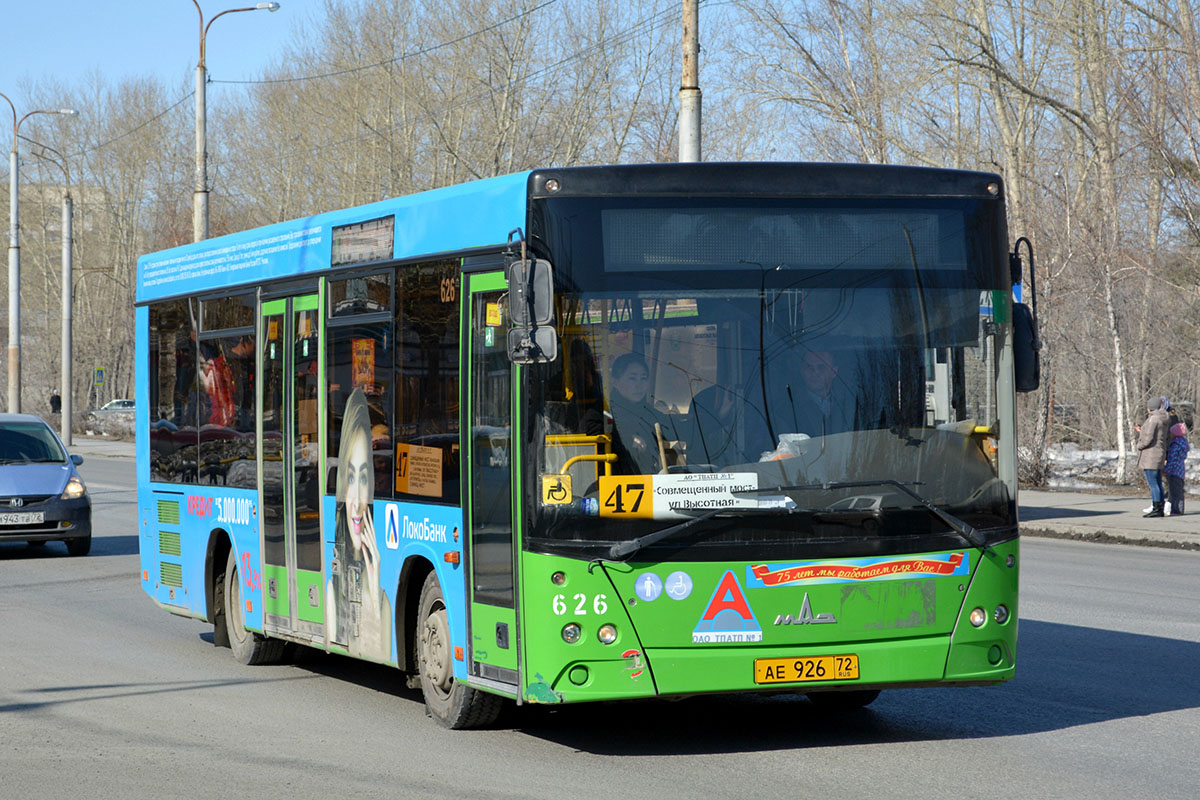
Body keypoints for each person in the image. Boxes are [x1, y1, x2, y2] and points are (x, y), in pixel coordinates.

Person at [326, 388, 392, 660]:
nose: (355, 502)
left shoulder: (384, 598)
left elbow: (382, 651)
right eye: (350, 478)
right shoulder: (332, 590)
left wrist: (374, 592)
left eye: (364, 479)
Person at [604, 353, 677, 474]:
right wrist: (627, 438)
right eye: (632, 378)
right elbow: (595, 431)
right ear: (614, 381)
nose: (639, 385)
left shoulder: (644, 409)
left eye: (643, 378)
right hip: (615, 478)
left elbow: (671, 428)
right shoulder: (607, 409)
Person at [791, 349, 853, 438]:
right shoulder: (790, 407)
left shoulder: (850, 405)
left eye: (821, 367)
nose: (815, 373)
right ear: (802, 371)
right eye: (809, 367)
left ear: (834, 372)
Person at [1134, 396, 1172, 518]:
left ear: (1150, 407)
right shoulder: (1164, 418)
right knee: (1158, 482)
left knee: (1153, 482)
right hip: (1160, 452)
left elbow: (1148, 438)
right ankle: (1159, 506)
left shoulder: (1153, 419)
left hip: (1151, 454)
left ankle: (1157, 508)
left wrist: (1139, 445)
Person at [1164, 422, 1189, 516]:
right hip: (1180, 471)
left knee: (1175, 492)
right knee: (1178, 491)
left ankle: (1177, 510)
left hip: (1174, 471)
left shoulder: (1175, 445)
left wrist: (1166, 469)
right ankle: (1178, 509)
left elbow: (1171, 459)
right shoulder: (1182, 444)